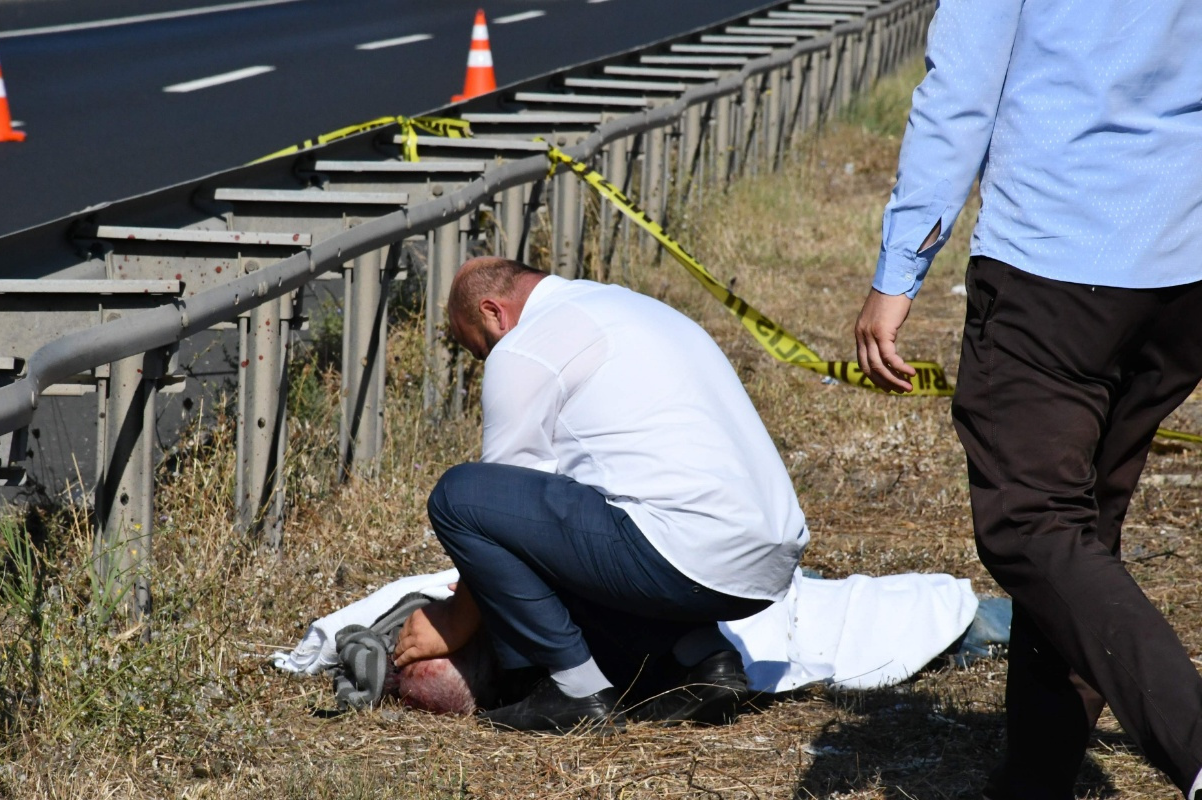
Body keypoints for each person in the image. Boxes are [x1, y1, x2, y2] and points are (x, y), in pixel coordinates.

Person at [853, 2, 1202, 798]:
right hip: (1179, 265)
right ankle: (1037, 778)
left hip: (1057, 254)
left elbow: (962, 89)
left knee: (1030, 525)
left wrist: (899, 268)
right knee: (1078, 538)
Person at [393, 256, 809, 732]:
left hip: (682, 552)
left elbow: (498, 514)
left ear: (493, 313)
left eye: (481, 348)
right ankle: (705, 662)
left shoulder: (527, 344)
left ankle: (575, 690)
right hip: (768, 564)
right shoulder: (631, 306)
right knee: (603, 513)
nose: (487, 361)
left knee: (458, 496)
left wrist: (455, 616)